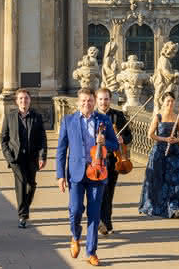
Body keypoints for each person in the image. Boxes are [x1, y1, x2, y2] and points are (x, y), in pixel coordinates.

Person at [57, 88, 120, 266]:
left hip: (98, 172)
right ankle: (75, 236)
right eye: (83, 101)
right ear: (78, 102)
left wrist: (104, 142)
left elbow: (114, 144)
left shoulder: (104, 120)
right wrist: (60, 175)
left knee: (94, 213)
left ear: (94, 102)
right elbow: (62, 150)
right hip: (76, 173)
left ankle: (91, 251)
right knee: (75, 209)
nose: (87, 104)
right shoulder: (68, 121)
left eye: (90, 101)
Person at [0, 89, 48, 229]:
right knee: (21, 184)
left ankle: (25, 206)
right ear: (17, 101)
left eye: (26, 98)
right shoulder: (10, 116)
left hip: (32, 157)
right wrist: (9, 157)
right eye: (20, 98)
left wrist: (42, 156)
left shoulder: (37, 117)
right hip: (16, 158)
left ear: (29, 100)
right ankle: (23, 215)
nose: (23, 101)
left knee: (31, 184)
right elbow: (3, 139)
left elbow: (42, 139)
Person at [138, 92, 179, 219]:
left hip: (174, 152)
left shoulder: (178, 118)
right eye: (167, 101)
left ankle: (174, 207)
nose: (170, 103)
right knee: (158, 179)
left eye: (172, 101)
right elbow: (151, 134)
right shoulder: (158, 117)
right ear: (163, 102)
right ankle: (156, 206)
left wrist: (175, 140)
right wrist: (165, 139)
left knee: (175, 180)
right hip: (159, 151)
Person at [96, 88, 133, 235]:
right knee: (99, 192)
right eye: (100, 99)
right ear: (96, 100)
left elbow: (129, 136)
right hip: (96, 159)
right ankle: (101, 221)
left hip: (113, 159)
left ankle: (106, 222)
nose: (103, 102)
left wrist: (122, 139)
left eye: (106, 99)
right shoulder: (92, 116)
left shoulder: (118, 116)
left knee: (109, 192)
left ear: (109, 100)